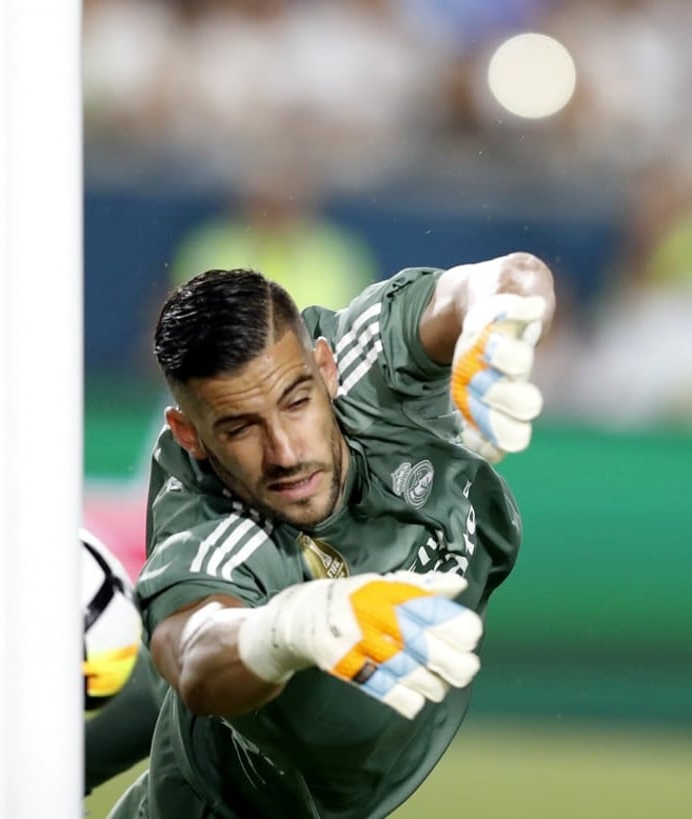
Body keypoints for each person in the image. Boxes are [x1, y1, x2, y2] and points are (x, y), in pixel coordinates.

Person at [106, 253, 554, 818]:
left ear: (326, 367)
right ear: (189, 434)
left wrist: (497, 320)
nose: (286, 453)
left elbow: (512, 274)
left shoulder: (374, 361)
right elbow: (193, 656)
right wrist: (289, 627)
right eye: (241, 428)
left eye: (296, 403)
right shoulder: (212, 527)